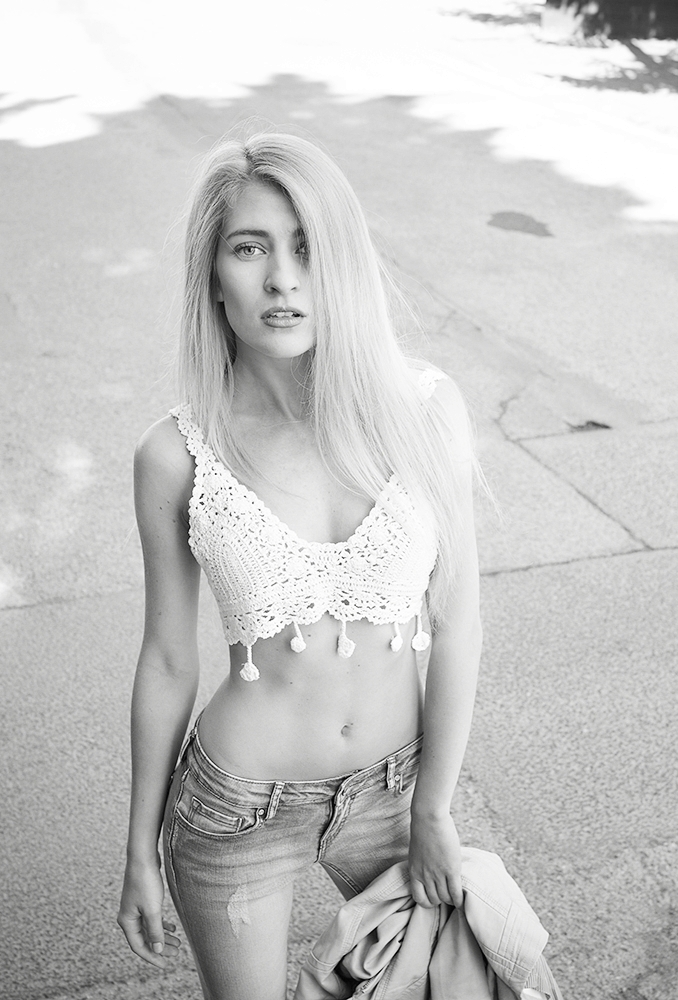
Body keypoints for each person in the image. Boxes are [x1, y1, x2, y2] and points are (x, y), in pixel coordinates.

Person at [116, 129, 484, 1000]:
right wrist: (138, 847)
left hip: (397, 791)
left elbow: (459, 617)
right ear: (213, 275)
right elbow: (167, 659)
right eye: (250, 249)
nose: (283, 278)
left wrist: (433, 806)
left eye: (308, 248)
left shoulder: (425, 409)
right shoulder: (176, 455)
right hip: (238, 806)